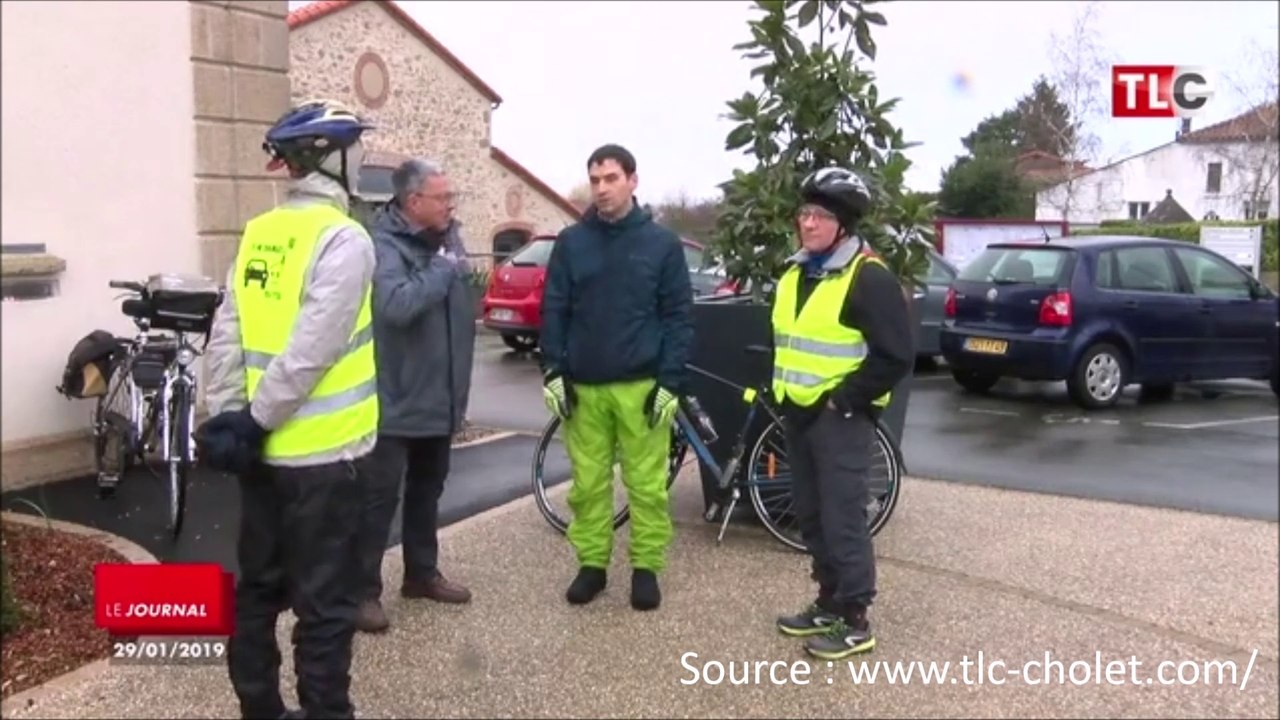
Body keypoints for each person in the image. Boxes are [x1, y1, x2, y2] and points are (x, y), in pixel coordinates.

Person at [197, 98, 379, 720]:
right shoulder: (344, 239)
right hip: (326, 461)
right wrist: (249, 420)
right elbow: (311, 351)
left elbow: (228, 330)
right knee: (325, 609)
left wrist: (225, 419)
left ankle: (261, 711)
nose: (365, 159)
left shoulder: (261, 233)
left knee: (257, 594)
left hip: (262, 460)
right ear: (329, 160)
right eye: (357, 149)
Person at [539, 144, 694, 611]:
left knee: (647, 487)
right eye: (595, 180)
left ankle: (646, 569)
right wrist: (553, 369)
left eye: (610, 178)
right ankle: (592, 565)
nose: (602, 188)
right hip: (584, 388)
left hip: (641, 387)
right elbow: (555, 309)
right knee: (588, 487)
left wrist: (670, 381)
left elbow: (678, 317)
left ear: (632, 180)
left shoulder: (662, 245)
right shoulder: (571, 243)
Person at [770, 166, 914, 660]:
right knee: (811, 515)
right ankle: (828, 600)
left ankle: (855, 620)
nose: (807, 223)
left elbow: (895, 355)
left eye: (819, 215)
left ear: (844, 225)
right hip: (798, 412)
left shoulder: (866, 277)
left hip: (840, 419)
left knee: (843, 518)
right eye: (804, 213)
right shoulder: (796, 272)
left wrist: (845, 399)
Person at [354, 158, 476, 634]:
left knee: (428, 491)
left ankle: (421, 574)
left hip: (440, 396)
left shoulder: (448, 240)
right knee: (378, 499)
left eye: (451, 197)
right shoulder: (383, 247)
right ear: (412, 202)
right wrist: (444, 273)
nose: (450, 205)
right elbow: (395, 306)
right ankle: (362, 592)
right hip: (396, 398)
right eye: (442, 197)